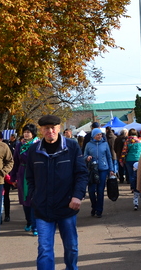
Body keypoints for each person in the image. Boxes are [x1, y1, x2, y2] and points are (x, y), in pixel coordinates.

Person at [26, 114, 88, 270]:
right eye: (46, 128)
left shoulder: (72, 147)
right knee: (45, 250)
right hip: (43, 208)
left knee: (71, 247)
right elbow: (30, 177)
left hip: (67, 206)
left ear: (59, 128)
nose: (50, 131)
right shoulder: (34, 150)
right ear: (41, 130)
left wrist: (77, 196)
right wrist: (34, 196)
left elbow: (81, 174)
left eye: (53, 128)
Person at [10, 123, 39, 235]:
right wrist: (13, 177)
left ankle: (35, 225)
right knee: (24, 200)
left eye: (28, 132)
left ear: (33, 133)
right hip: (22, 174)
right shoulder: (19, 146)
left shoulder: (38, 144)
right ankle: (29, 222)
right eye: (25, 132)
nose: (26, 134)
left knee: (34, 200)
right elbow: (15, 162)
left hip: (35, 174)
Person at [84, 127, 115, 218]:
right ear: (93, 135)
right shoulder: (88, 145)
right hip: (92, 170)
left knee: (100, 191)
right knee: (91, 190)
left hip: (103, 169)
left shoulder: (105, 144)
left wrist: (111, 169)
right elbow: (84, 155)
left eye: (101, 134)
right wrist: (87, 158)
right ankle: (94, 206)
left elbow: (109, 157)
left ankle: (99, 210)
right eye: (98, 134)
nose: (100, 136)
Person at [121, 128, 141, 210]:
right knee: (139, 175)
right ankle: (139, 187)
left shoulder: (127, 141)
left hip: (129, 160)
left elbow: (124, 151)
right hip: (138, 159)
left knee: (131, 175)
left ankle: (133, 188)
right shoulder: (140, 141)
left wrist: (121, 160)